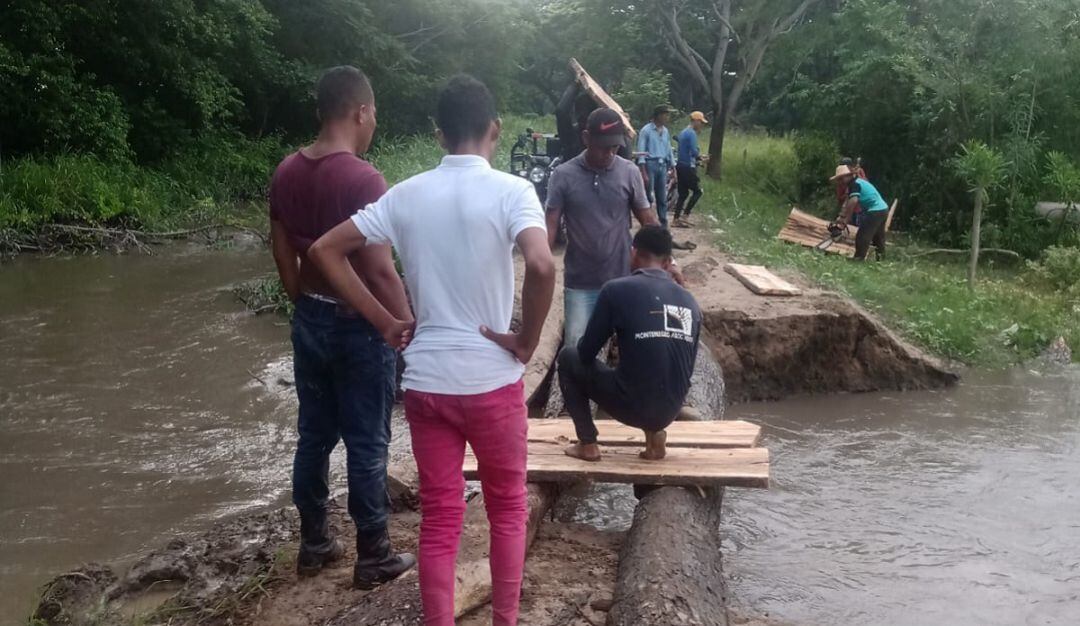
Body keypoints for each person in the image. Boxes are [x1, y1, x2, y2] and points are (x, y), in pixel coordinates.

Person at [308, 74, 555, 626]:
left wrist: (385, 321)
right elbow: (542, 265)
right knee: (508, 509)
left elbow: (326, 252)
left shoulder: (406, 194)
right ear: (495, 129)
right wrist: (527, 340)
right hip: (492, 382)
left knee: (442, 520)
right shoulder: (513, 191)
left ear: (439, 133)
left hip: (426, 385)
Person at [267, 66, 416, 586]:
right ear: (362, 112)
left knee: (313, 435)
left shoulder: (287, 170)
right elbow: (377, 268)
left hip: (309, 316)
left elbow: (281, 244)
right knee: (368, 441)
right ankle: (373, 553)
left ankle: (314, 543)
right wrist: (403, 324)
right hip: (357, 328)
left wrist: (300, 298)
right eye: (373, 115)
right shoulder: (363, 178)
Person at [560, 226, 701, 462]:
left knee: (568, 358)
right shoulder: (690, 302)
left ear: (633, 252)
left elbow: (585, 353)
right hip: (670, 410)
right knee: (656, 367)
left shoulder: (616, 289)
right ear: (667, 263)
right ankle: (654, 438)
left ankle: (587, 443)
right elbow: (687, 367)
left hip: (633, 407)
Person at [545, 108, 663, 348]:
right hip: (580, 284)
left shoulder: (629, 172)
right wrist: (541, 266)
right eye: (603, 146)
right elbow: (549, 227)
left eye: (615, 147)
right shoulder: (563, 175)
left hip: (622, 281)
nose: (609, 153)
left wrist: (668, 262)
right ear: (586, 138)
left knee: (627, 349)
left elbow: (648, 222)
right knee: (575, 351)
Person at [830, 164, 889, 261]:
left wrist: (845, 221)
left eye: (841, 179)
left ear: (848, 176)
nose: (840, 182)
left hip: (875, 210)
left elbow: (853, 201)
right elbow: (847, 202)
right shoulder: (856, 183)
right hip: (883, 209)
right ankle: (881, 260)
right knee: (878, 238)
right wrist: (841, 217)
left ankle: (858, 258)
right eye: (838, 179)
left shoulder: (855, 184)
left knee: (863, 235)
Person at [636, 105, 676, 227]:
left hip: (662, 164)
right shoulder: (646, 130)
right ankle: (648, 222)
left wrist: (672, 165)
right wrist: (643, 171)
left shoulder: (665, 131)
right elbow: (641, 151)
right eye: (665, 114)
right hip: (650, 163)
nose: (667, 117)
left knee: (662, 196)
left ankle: (663, 223)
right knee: (648, 195)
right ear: (658, 115)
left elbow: (668, 148)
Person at [673, 111, 709, 228]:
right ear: (696, 121)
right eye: (701, 122)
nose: (702, 125)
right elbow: (693, 151)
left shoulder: (683, 132)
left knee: (683, 193)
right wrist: (700, 157)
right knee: (698, 191)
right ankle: (685, 216)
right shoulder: (691, 133)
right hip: (688, 166)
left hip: (680, 165)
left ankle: (676, 219)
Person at [835, 157, 867, 225]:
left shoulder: (859, 171)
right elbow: (839, 197)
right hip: (846, 206)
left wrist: (857, 174)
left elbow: (865, 183)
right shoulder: (841, 180)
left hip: (858, 208)